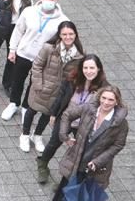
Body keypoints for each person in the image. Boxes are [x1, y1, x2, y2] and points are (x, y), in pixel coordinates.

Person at [49, 85, 128, 201]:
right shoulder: (89, 109)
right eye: (104, 98)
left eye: (110, 100)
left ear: (116, 102)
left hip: (96, 162)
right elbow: (67, 115)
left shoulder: (120, 123)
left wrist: (98, 161)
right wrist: (64, 134)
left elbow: (118, 144)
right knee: (69, 181)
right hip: (78, 154)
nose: (106, 102)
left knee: (84, 189)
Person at [37, 54, 107, 184]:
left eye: (92, 68)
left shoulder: (104, 88)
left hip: (84, 123)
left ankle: (66, 179)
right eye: (85, 68)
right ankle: (42, 164)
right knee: (54, 142)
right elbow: (61, 96)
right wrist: (53, 113)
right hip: (66, 117)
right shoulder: (72, 79)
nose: (88, 71)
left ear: (98, 69)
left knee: (77, 152)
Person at [2, 0, 69, 121]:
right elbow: (18, 31)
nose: (48, 1)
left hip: (42, 59)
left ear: (57, 0)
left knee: (34, 84)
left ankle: (26, 107)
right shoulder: (29, 11)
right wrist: (12, 49)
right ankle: (13, 103)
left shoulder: (63, 20)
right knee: (17, 81)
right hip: (23, 54)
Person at [22, 21, 84, 153]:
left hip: (58, 94)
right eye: (64, 34)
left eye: (71, 34)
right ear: (59, 35)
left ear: (75, 35)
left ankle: (37, 135)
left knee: (47, 115)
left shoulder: (79, 55)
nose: (68, 37)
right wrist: (39, 85)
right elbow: (37, 66)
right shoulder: (49, 48)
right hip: (42, 89)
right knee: (31, 111)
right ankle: (25, 135)